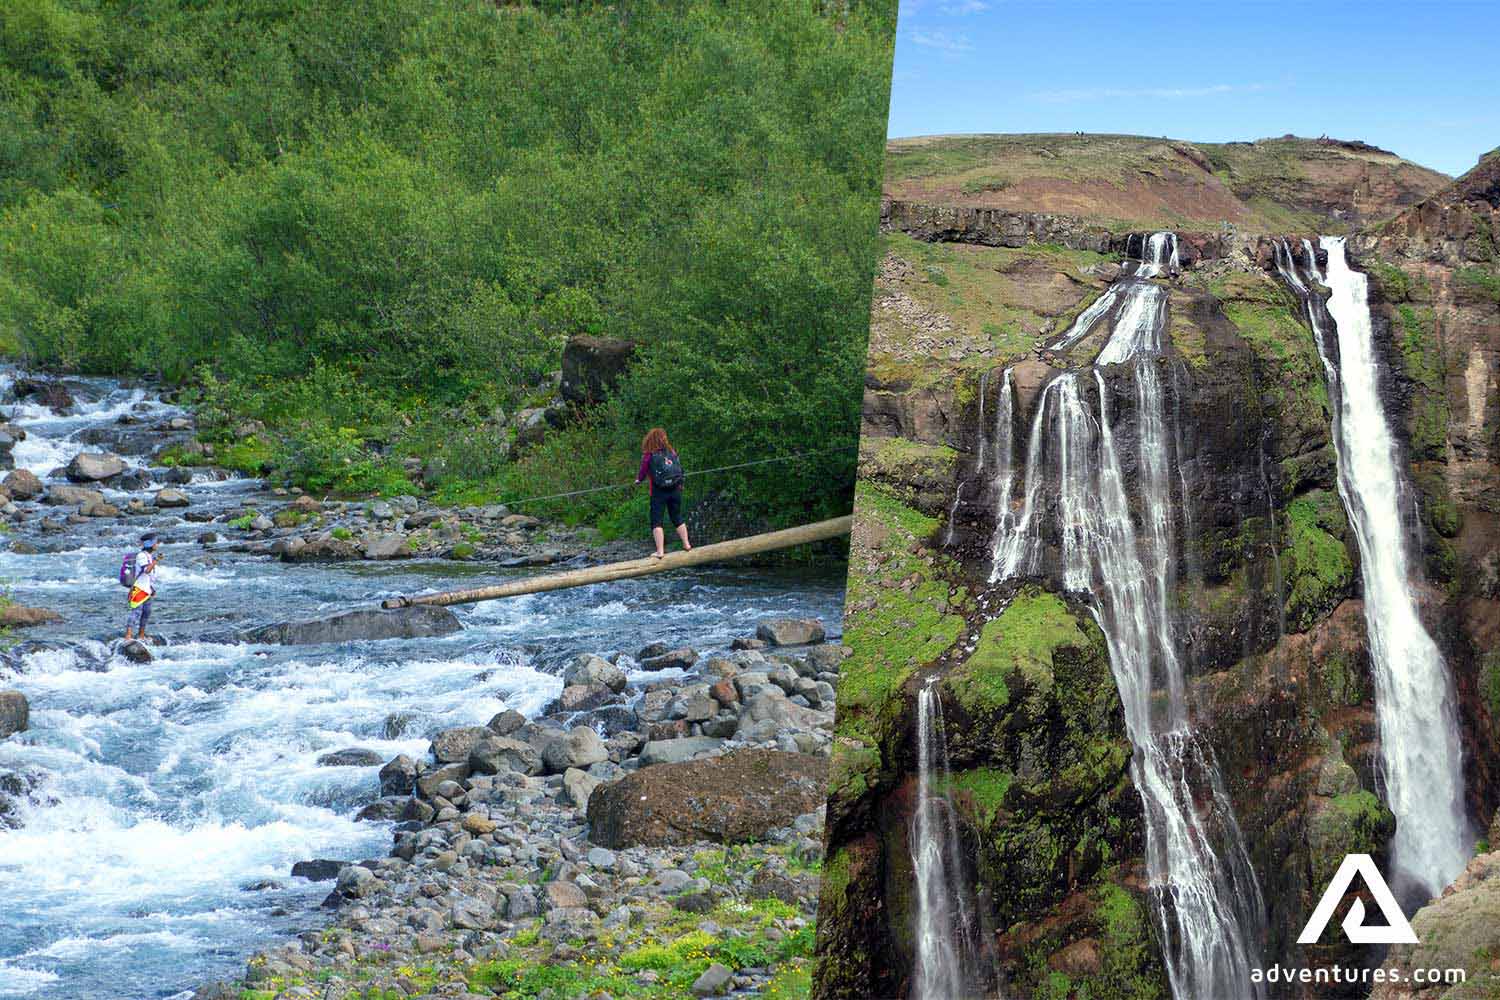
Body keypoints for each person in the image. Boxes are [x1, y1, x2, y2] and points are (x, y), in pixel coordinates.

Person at [636, 427, 691, 559]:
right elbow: (679, 469)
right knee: (677, 517)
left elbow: (643, 471)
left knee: (657, 521)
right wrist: (680, 484)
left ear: (650, 440)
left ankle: (660, 551)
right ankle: (687, 544)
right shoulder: (671, 451)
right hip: (675, 490)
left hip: (658, 492)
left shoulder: (649, 455)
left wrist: (639, 479)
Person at [124, 534, 160, 642]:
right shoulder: (141, 555)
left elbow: (148, 576)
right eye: (156, 542)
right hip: (139, 589)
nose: (157, 544)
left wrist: (151, 588)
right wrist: (156, 560)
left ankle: (141, 635)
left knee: (146, 612)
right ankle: (128, 636)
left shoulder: (149, 556)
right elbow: (146, 570)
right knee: (136, 612)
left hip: (146, 589)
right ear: (150, 544)